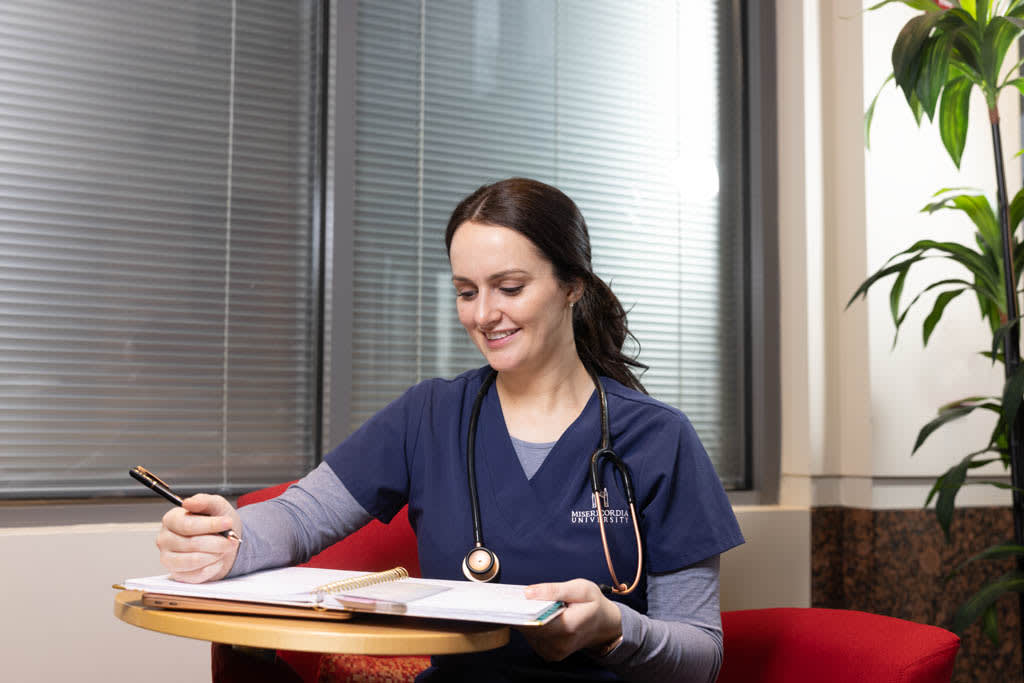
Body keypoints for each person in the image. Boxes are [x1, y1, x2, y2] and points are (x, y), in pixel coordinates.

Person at [156, 178, 744, 682]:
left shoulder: (657, 439)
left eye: (509, 288)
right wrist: (224, 537)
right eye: (467, 292)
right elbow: (302, 515)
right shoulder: (430, 414)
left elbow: (700, 658)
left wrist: (614, 627)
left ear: (573, 286)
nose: (484, 314)